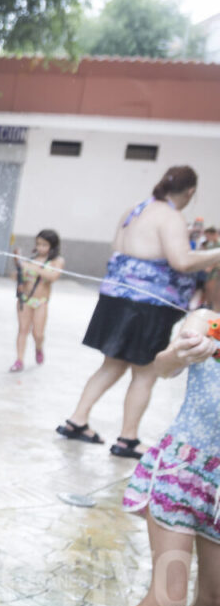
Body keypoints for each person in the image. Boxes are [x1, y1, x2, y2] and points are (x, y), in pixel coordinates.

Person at [90, 308, 220, 606]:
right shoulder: (207, 319)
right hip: (183, 474)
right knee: (168, 595)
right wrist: (185, 351)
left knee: (217, 597)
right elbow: (162, 366)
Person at [58, 166, 220, 459]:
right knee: (145, 371)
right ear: (190, 192)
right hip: (147, 305)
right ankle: (128, 439)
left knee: (112, 364)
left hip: (116, 298)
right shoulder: (171, 217)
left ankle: (76, 420)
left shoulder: (137, 208)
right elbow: (182, 261)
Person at [10, 229, 64, 372]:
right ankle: (19, 360)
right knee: (23, 330)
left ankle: (39, 347)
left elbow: (53, 277)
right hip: (25, 299)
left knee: (38, 334)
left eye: (44, 245)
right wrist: (18, 276)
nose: (40, 248)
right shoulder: (31, 259)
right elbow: (18, 276)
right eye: (38, 244)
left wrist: (32, 267)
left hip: (41, 301)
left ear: (53, 246)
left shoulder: (56, 261)